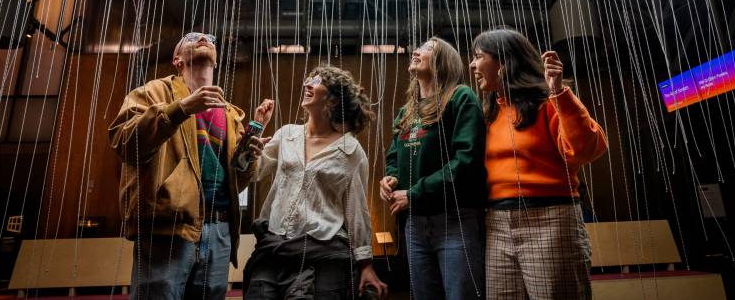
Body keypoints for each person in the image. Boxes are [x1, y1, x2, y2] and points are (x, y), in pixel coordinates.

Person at [109, 32, 269, 300]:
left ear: (216, 62)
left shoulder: (230, 114)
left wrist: (248, 157)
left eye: (210, 39)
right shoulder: (151, 93)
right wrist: (180, 108)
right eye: (193, 37)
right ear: (177, 60)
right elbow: (125, 143)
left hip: (219, 228)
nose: (204, 38)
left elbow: (233, 182)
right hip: (168, 227)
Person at [469, 28, 608, 300]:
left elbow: (587, 149)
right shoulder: (489, 112)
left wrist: (559, 92)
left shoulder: (548, 102)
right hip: (497, 222)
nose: (472, 65)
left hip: (550, 219)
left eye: (478, 56)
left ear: (504, 62)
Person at [243, 66, 388, 300]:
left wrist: (366, 264)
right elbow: (250, 172)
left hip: (325, 255)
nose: (307, 85)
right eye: (308, 79)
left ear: (332, 99)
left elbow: (357, 210)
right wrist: (255, 128)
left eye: (317, 81)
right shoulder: (286, 134)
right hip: (273, 250)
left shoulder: (350, 151)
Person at [380, 37, 487, 300]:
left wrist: (414, 193)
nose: (416, 51)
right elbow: (394, 156)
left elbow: (466, 162)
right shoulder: (406, 111)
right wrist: (391, 178)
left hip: (454, 219)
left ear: (443, 61)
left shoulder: (461, 97)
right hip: (414, 225)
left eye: (427, 48)